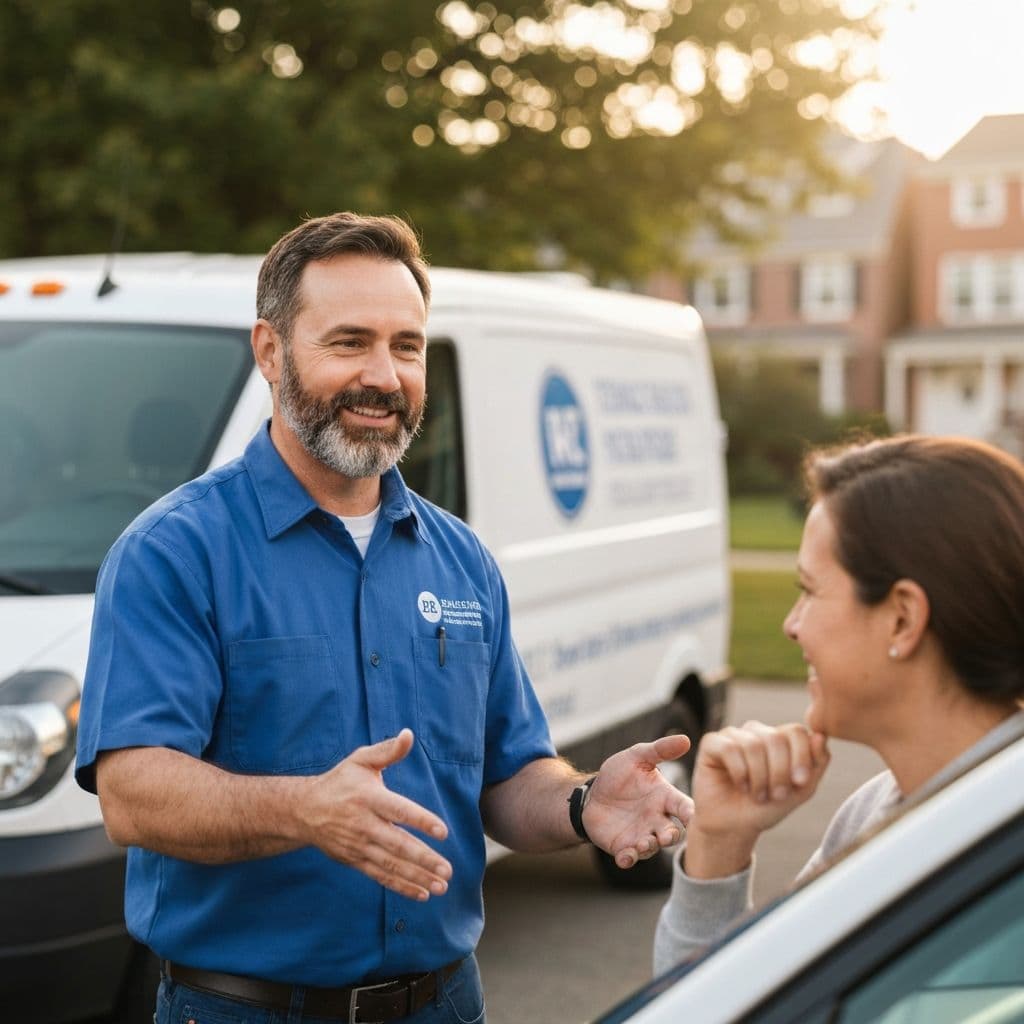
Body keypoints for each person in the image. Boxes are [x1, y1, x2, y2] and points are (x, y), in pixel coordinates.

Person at [75, 212, 694, 1024]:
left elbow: (508, 778)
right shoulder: (175, 551)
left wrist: (584, 804)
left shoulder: (461, 559)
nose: (384, 374)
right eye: (348, 342)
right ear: (269, 351)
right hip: (243, 1010)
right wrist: (304, 809)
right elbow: (133, 795)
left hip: (446, 1003)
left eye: (406, 346)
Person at [654, 434, 1024, 974]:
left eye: (810, 589)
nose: (791, 625)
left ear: (902, 618)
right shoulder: (877, 810)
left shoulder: (989, 841)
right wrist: (718, 845)